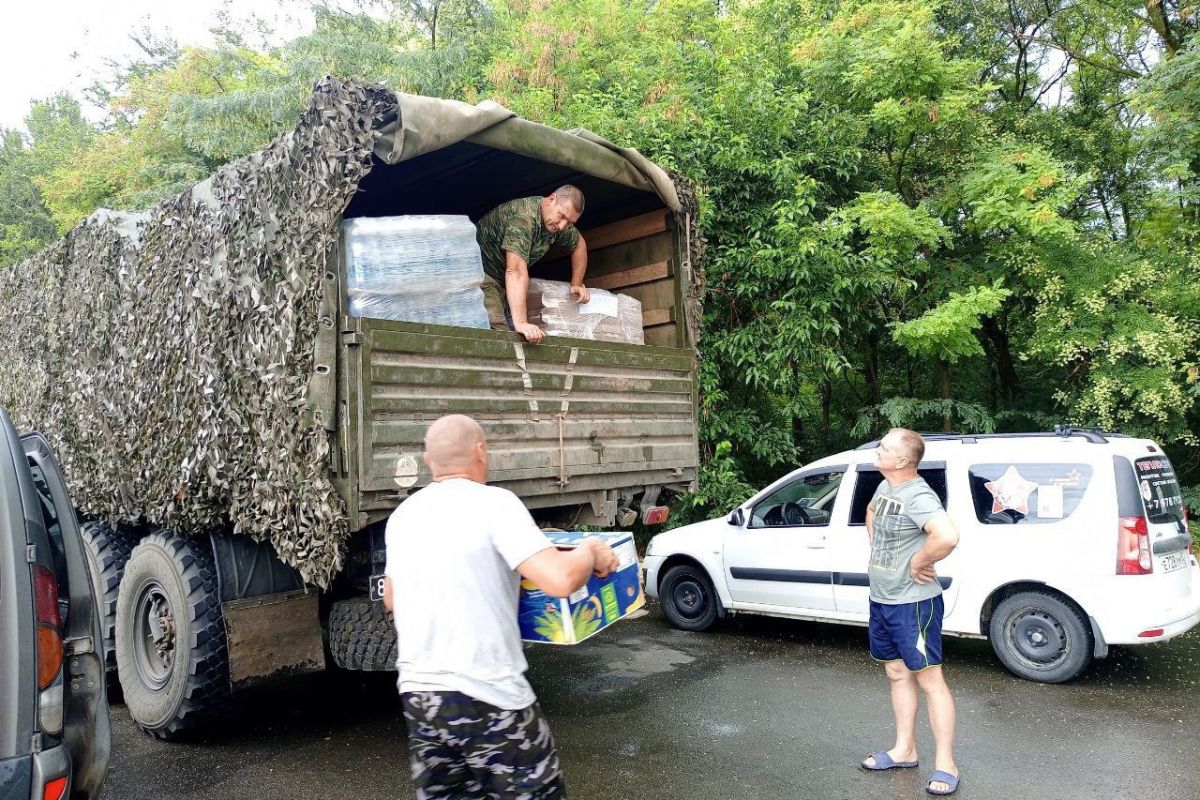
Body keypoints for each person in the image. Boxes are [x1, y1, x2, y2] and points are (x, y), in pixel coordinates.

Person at [381, 413, 618, 799]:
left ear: (428, 462)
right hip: (489, 696)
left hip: (421, 699)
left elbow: (392, 598)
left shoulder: (403, 516)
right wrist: (590, 550)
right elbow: (559, 580)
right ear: (480, 451)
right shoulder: (496, 504)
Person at [860, 428, 961, 796]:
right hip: (883, 598)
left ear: (902, 460)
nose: (878, 448)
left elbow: (946, 536)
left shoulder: (918, 494)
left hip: (913, 604)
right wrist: (882, 553)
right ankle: (905, 750)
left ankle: (946, 764)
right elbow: (872, 512)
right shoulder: (886, 486)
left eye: (884, 447)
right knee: (896, 671)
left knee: (930, 682)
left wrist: (918, 560)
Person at [475, 186, 591, 344]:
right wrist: (522, 323)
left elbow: (579, 245)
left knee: (522, 339)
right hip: (480, 275)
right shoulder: (524, 218)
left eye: (570, 222)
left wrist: (576, 283)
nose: (563, 226)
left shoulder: (558, 224)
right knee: (500, 337)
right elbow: (515, 270)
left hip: (503, 283)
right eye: (562, 216)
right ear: (551, 199)